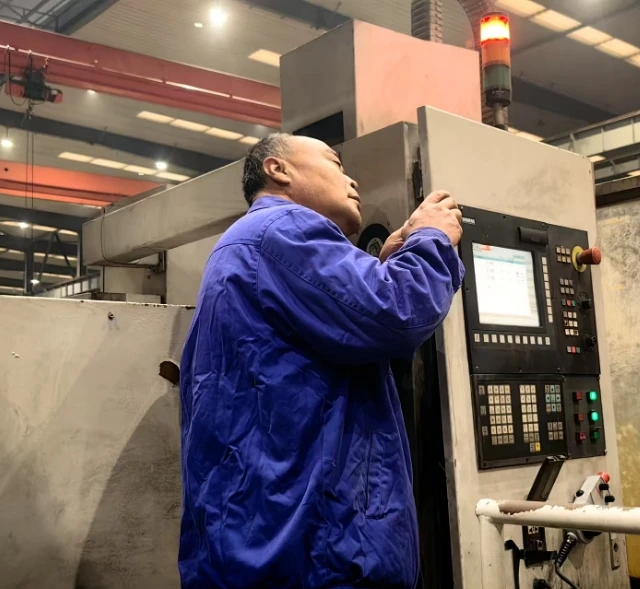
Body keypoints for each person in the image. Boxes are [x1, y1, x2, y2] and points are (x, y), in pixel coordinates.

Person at [177, 133, 465, 588]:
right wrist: (432, 237)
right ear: (278, 170)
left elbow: (331, 354)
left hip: (260, 547)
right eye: (335, 163)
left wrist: (383, 267)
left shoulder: (249, 244)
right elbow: (398, 312)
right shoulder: (284, 229)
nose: (352, 181)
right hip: (314, 558)